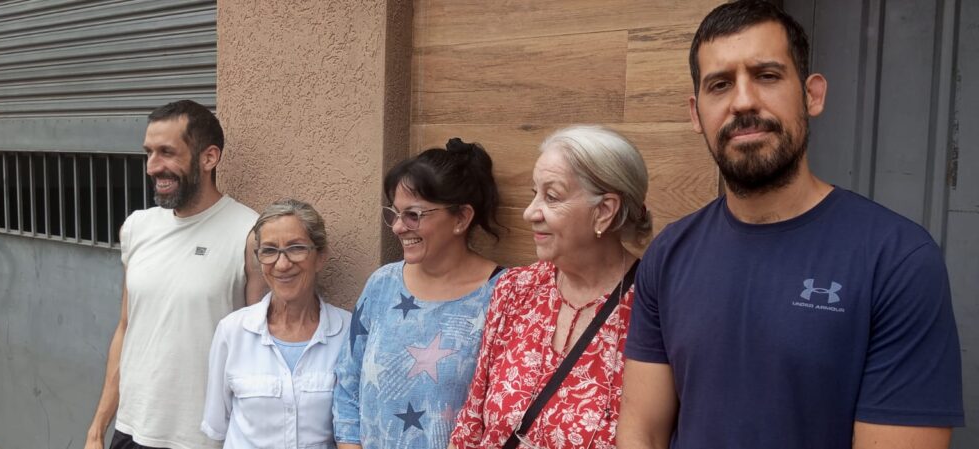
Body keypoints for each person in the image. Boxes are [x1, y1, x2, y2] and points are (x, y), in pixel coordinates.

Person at [618, 2, 964, 449]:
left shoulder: (897, 260)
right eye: (720, 85)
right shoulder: (668, 255)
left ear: (812, 95)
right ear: (696, 113)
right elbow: (641, 431)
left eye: (767, 75)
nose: (743, 101)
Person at [449, 125, 652, 449]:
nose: (530, 213)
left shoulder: (650, 308)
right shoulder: (515, 290)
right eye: (534, 194)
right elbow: (471, 424)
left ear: (604, 211)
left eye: (552, 197)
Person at [85, 100, 268, 449]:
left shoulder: (248, 233)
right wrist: (97, 428)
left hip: (203, 438)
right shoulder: (137, 227)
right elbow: (126, 328)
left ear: (209, 158)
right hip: (131, 429)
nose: (152, 167)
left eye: (167, 152)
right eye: (149, 153)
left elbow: (258, 348)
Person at [333, 138, 505, 449]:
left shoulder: (503, 294)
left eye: (413, 215)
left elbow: (506, 411)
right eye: (394, 214)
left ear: (461, 218)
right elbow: (348, 384)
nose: (398, 227)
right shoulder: (382, 284)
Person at [202, 199, 351, 449]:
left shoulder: (347, 332)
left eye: (296, 248)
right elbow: (217, 427)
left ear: (320, 257)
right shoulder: (233, 331)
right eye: (269, 251)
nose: (282, 264)